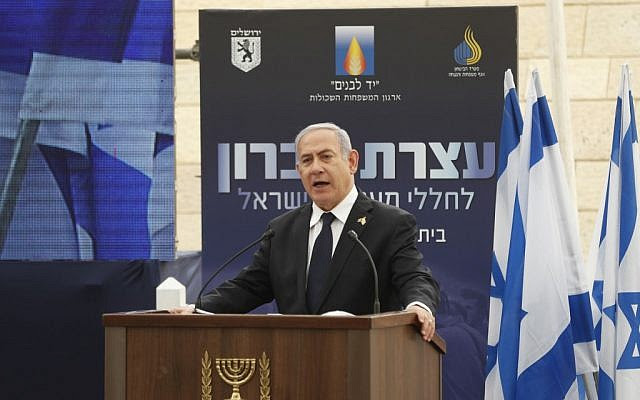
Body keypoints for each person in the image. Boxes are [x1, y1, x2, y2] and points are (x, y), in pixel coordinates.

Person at [174, 122, 440, 341]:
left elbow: (414, 276)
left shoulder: (390, 223)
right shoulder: (282, 229)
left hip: (363, 362)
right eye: (307, 160)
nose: (316, 168)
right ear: (299, 171)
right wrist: (199, 310)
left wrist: (418, 305)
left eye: (326, 157)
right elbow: (248, 287)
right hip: (295, 364)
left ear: (352, 161)